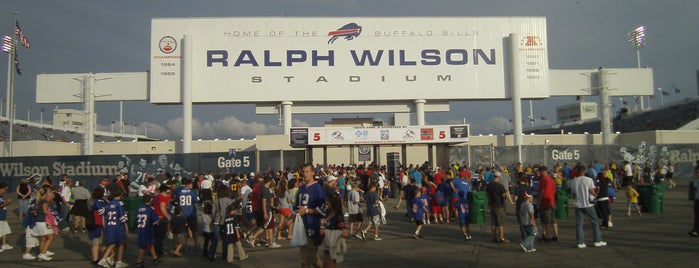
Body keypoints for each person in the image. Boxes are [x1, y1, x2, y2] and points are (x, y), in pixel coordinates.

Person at [296, 163, 327, 268]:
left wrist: (308, 210)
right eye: (303, 172)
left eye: (307, 172)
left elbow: (324, 208)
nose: (305, 174)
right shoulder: (301, 189)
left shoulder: (318, 188)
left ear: (313, 173)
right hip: (302, 226)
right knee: (312, 258)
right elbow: (297, 208)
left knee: (305, 259)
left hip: (313, 226)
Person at [570, 165, 607, 249]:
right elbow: (592, 191)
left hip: (578, 204)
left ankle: (580, 242)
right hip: (588, 204)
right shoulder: (588, 180)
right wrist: (596, 193)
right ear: (584, 171)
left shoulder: (573, 181)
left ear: (577, 172)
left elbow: (573, 194)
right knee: (595, 222)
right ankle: (597, 240)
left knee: (579, 224)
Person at [99, 187, 128, 268]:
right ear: (121, 194)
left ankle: (105, 259)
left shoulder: (109, 204)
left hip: (110, 226)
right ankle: (118, 261)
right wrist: (126, 226)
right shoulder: (119, 204)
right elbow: (122, 217)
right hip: (118, 226)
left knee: (112, 244)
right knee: (121, 243)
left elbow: (101, 211)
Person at [135, 194, 162, 268]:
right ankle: (139, 261)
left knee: (150, 243)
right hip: (147, 229)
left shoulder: (138, 208)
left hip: (140, 228)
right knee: (143, 246)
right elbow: (155, 221)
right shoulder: (150, 209)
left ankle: (155, 258)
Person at [322, 191, 347, 268]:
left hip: (334, 247)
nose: (326, 202)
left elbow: (344, 233)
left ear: (333, 202)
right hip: (327, 246)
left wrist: (327, 232)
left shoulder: (338, 216)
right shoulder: (328, 213)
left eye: (328, 201)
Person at [173, 177, 199, 249]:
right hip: (191, 212)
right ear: (189, 184)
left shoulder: (179, 191)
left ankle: (185, 245)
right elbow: (196, 201)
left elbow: (176, 201)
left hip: (182, 213)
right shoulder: (192, 191)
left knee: (184, 230)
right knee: (194, 229)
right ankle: (196, 243)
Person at [210, 186, 234, 261]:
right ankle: (224, 255)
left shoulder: (216, 201)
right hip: (226, 221)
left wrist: (212, 219)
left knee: (216, 238)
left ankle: (211, 254)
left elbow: (213, 212)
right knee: (225, 239)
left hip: (217, 220)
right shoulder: (229, 200)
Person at [33, 186, 56, 262]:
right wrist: (53, 219)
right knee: (50, 237)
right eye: (49, 192)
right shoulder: (44, 202)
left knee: (43, 237)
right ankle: (42, 254)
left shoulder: (39, 201)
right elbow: (46, 212)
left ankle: (42, 252)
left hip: (38, 221)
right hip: (43, 221)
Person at [537, 167, 559, 241]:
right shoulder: (551, 180)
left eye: (540, 172)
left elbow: (542, 192)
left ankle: (546, 234)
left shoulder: (543, 180)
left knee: (545, 220)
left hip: (545, 202)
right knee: (553, 219)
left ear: (543, 171)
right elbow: (554, 191)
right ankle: (556, 234)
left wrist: (538, 203)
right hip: (552, 202)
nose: (539, 173)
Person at [486, 174, 509, 243]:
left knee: (493, 223)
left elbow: (487, 194)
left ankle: (494, 237)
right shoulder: (500, 186)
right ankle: (501, 238)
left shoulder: (489, 185)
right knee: (500, 223)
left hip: (492, 205)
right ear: (498, 177)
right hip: (499, 206)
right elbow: (504, 195)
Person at [88, 188, 108, 265]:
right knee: (103, 243)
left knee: (95, 242)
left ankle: (95, 259)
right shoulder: (99, 201)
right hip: (99, 224)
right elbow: (101, 211)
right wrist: (106, 202)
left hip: (91, 223)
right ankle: (104, 259)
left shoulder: (90, 201)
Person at [152, 185, 172, 257]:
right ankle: (159, 251)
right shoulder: (162, 198)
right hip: (161, 218)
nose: (169, 192)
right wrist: (168, 217)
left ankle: (152, 250)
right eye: (168, 191)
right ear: (164, 190)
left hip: (154, 218)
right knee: (160, 237)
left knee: (155, 236)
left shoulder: (156, 197)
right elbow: (162, 209)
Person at [0, 182, 13, 253]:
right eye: (6, 189)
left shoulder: (1, 196)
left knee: (5, 230)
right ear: (2, 188)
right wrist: (7, 203)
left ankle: (4, 244)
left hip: (2, 216)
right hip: (0, 217)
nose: (6, 191)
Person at [689, 168, 699, 237]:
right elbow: (695, 190)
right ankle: (695, 230)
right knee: (697, 216)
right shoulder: (696, 181)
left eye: (698, 172)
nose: (696, 174)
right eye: (696, 172)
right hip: (697, 200)